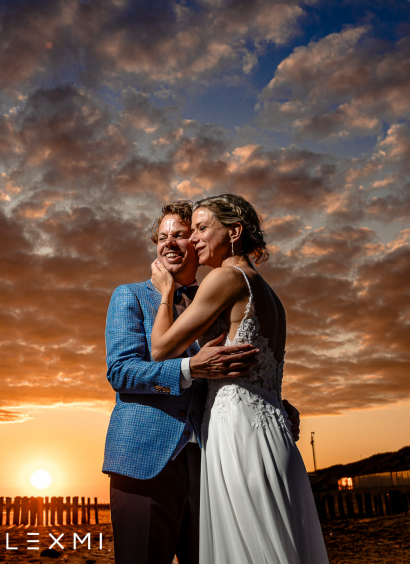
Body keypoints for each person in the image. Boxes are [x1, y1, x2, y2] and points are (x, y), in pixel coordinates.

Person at [102, 199, 300, 564]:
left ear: (196, 241)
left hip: (215, 461)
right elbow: (121, 372)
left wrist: (275, 404)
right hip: (147, 459)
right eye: (162, 237)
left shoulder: (223, 297)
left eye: (181, 234)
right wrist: (189, 368)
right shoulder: (129, 296)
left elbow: (243, 366)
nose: (170, 243)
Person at [150, 194, 329, 564]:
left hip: (237, 431)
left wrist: (166, 293)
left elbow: (161, 350)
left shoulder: (226, 277)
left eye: (202, 228)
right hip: (271, 427)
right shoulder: (267, 292)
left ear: (233, 231)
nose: (194, 238)